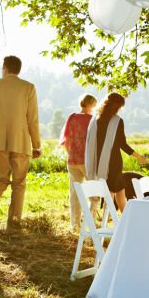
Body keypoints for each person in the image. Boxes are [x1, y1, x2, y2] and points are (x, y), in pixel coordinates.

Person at [0, 55, 41, 231]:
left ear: (4, 68)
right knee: (19, 183)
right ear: (18, 70)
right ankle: (13, 224)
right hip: (20, 141)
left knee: (0, 179)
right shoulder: (28, 88)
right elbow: (32, 119)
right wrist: (36, 144)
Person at [85, 93, 148, 212]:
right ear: (117, 107)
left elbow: (88, 141)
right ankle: (108, 221)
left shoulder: (94, 119)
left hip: (98, 162)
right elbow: (123, 144)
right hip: (113, 163)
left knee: (120, 192)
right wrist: (139, 157)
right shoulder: (117, 121)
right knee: (111, 193)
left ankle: (125, 221)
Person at [60, 94, 98, 230]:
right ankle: (91, 223)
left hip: (72, 161)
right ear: (90, 104)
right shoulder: (92, 120)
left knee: (75, 194)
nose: (94, 108)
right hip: (87, 161)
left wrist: (71, 154)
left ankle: (74, 225)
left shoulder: (72, 117)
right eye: (94, 105)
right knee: (94, 193)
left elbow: (66, 140)